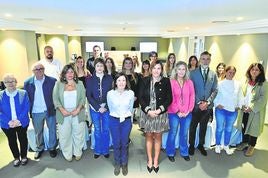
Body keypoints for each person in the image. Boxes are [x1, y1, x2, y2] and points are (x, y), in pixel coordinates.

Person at [139, 60, 172, 173]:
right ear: (150, 69)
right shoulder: (144, 80)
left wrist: (159, 110)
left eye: (158, 68)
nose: (156, 70)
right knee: (148, 136)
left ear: (161, 70)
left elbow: (169, 98)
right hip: (147, 112)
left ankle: (156, 161)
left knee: (158, 137)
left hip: (160, 113)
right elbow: (140, 97)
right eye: (154, 68)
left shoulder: (166, 81)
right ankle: (149, 160)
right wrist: (148, 110)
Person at [53, 64, 87, 161]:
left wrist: (78, 110)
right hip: (63, 113)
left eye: (72, 71)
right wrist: (62, 110)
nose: (70, 74)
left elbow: (82, 99)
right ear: (64, 74)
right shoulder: (58, 84)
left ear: (74, 73)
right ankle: (67, 153)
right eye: (67, 72)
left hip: (77, 112)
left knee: (78, 133)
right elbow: (55, 99)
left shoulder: (80, 84)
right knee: (64, 134)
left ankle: (77, 151)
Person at [24, 62, 57, 159]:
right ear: (33, 71)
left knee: (52, 130)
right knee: (38, 132)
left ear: (44, 70)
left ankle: (52, 148)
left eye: (41, 68)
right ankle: (39, 148)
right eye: (36, 69)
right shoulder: (28, 82)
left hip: (50, 110)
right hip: (36, 111)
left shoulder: (52, 81)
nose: (39, 71)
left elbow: (55, 96)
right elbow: (27, 98)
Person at [189, 51, 218, 156]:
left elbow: (215, 90)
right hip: (196, 106)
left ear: (210, 60)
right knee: (193, 126)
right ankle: (191, 145)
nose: (205, 61)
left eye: (207, 59)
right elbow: (191, 89)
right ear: (200, 60)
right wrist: (199, 102)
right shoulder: (192, 73)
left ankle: (201, 145)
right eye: (203, 59)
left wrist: (208, 102)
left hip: (207, 107)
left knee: (203, 126)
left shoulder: (213, 74)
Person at [236, 63, 268, 156]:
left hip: (255, 111)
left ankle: (251, 145)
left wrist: (251, 108)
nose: (254, 71)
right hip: (244, 108)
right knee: (244, 126)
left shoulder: (264, 83)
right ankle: (245, 142)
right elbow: (242, 93)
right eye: (252, 69)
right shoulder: (246, 81)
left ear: (260, 72)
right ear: (249, 70)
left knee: (254, 128)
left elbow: (263, 99)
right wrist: (242, 105)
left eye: (257, 70)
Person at [166, 61, 195, 162]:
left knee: (184, 133)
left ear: (186, 70)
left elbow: (192, 97)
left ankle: (184, 152)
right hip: (174, 113)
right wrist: (177, 111)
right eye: (179, 69)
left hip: (187, 113)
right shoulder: (171, 82)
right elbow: (170, 98)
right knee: (173, 132)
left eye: (183, 69)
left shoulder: (189, 82)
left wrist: (189, 110)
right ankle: (170, 152)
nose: (181, 71)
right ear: (176, 70)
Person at [107, 73, 134, 176]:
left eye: (123, 80)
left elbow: (130, 108)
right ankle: (117, 163)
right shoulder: (110, 93)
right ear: (115, 82)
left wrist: (129, 120)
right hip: (114, 120)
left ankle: (124, 163)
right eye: (119, 80)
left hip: (126, 121)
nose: (121, 83)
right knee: (116, 143)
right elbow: (110, 107)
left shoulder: (130, 93)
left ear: (126, 82)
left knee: (125, 143)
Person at [0, 74, 30, 167]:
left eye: (12, 81)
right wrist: (8, 122)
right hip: (7, 124)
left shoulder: (23, 93)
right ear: (4, 84)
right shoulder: (0, 95)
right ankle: (16, 157)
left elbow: (26, 106)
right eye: (7, 81)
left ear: (16, 82)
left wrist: (18, 120)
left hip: (21, 122)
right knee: (12, 140)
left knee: (23, 139)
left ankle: (24, 156)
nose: (10, 83)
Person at [86, 58, 113, 159]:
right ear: (95, 67)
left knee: (105, 130)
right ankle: (98, 150)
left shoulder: (109, 78)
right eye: (98, 66)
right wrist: (98, 107)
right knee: (97, 130)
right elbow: (89, 96)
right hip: (94, 109)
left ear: (104, 67)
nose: (99, 68)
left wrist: (105, 106)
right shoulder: (89, 79)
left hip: (107, 108)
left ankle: (105, 150)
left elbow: (111, 94)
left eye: (101, 66)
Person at [213, 66, 243, 155]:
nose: (231, 74)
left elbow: (240, 96)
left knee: (229, 129)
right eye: (230, 72)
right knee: (219, 128)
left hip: (233, 111)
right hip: (221, 110)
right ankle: (217, 145)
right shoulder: (220, 83)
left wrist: (239, 105)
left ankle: (226, 145)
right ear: (225, 72)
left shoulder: (237, 84)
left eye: (233, 72)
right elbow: (214, 95)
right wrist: (217, 104)